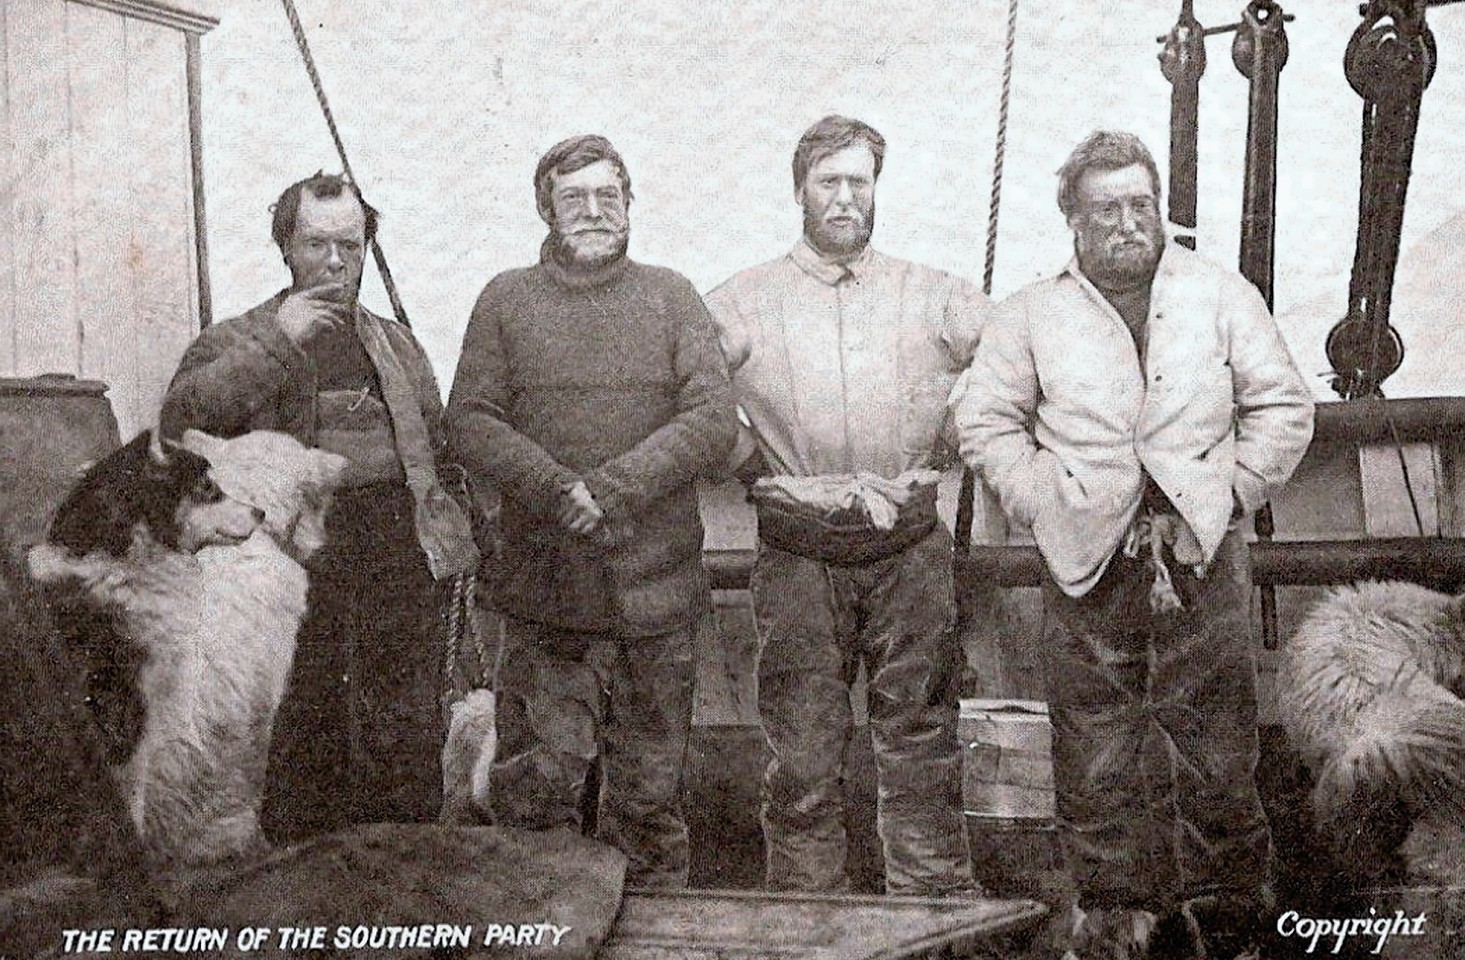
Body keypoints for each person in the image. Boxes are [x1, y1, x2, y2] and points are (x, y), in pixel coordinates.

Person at [952, 130, 1314, 956]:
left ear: (1159, 210)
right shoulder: (1030, 314)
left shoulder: (1221, 296)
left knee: (1218, 744)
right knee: (1096, 750)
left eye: (1139, 205)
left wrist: (1226, 493)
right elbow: (983, 419)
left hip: (1200, 555)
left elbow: (1284, 409)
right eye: (1105, 209)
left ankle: (1229, 920)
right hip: (1086, 561)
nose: (1126, 223)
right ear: (1072, 222)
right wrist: (1044, 499)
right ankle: (1118, 922)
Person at [704, 115, 986, 896]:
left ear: (875, 190)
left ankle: (934, 920)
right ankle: (806, 921)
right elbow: (689, 393)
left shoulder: (933, 294)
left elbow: (1015, 364)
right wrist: (750, 462)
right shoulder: (740, 301)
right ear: (799, 189)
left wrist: (953, 439)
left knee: (922, 742)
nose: (844, 197)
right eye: (828, 181)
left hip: (909, 552)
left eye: (858, 181)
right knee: (800, 756)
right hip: (798, 555)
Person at [445, 135, 736, 888]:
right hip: (547, 603)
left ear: (630, 204)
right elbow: (470, 420)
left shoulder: (671, 296)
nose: (595, 211)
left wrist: (609, 489)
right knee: (537, 798)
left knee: (648, 806)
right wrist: (553, 488)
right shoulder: (506, 299)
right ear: (546, 208)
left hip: (655, 600)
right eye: (575, 197)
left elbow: (711, 419)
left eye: (610, 195)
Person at [160, 172, 478, 842]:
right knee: (304, 714)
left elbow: (438, 443)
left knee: (405, 717)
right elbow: (181, 421)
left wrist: (455, 540)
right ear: (286, 248)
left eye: (350, 246)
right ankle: (305, 873)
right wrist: (283, 340)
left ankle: (401, 865)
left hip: (397, 544)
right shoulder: (239, 337)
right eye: (316, 245)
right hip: (293, 558)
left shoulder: (395, 343)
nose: (335, 262)